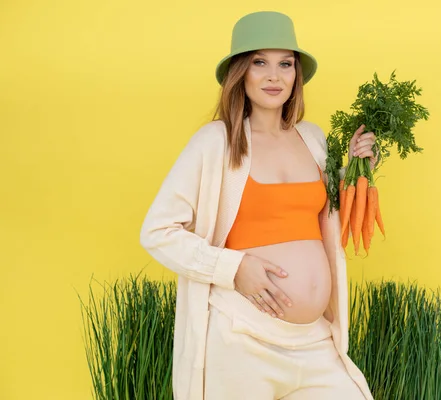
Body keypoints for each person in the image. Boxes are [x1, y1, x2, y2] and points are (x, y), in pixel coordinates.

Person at [140, 10, 377, 400]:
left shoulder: (314, 139)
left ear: (296, 75)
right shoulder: (215, 141)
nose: (274, 76)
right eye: (259, 63)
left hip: (315, 340)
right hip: (241, 339)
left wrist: (354, 170)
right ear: (240, 73)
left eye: (286, 64)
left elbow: (327, 216)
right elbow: (158, 232)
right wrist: (234, 268)